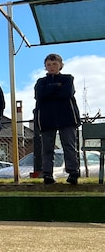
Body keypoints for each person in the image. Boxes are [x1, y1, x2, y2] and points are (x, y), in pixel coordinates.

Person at [34, 53, 81, 184]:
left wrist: (49, 91)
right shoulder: (41, 82)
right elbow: (39, 95)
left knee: (69, 146)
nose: (52, 67)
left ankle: (73, 172)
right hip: (47, 119)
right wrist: (55, 87)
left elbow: (66, 94)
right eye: (49, 64)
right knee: (47, 148)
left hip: (66, 118)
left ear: (61, 65)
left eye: (55, 64)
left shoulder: (68, 79)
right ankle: (47, 174)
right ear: (45, 67)